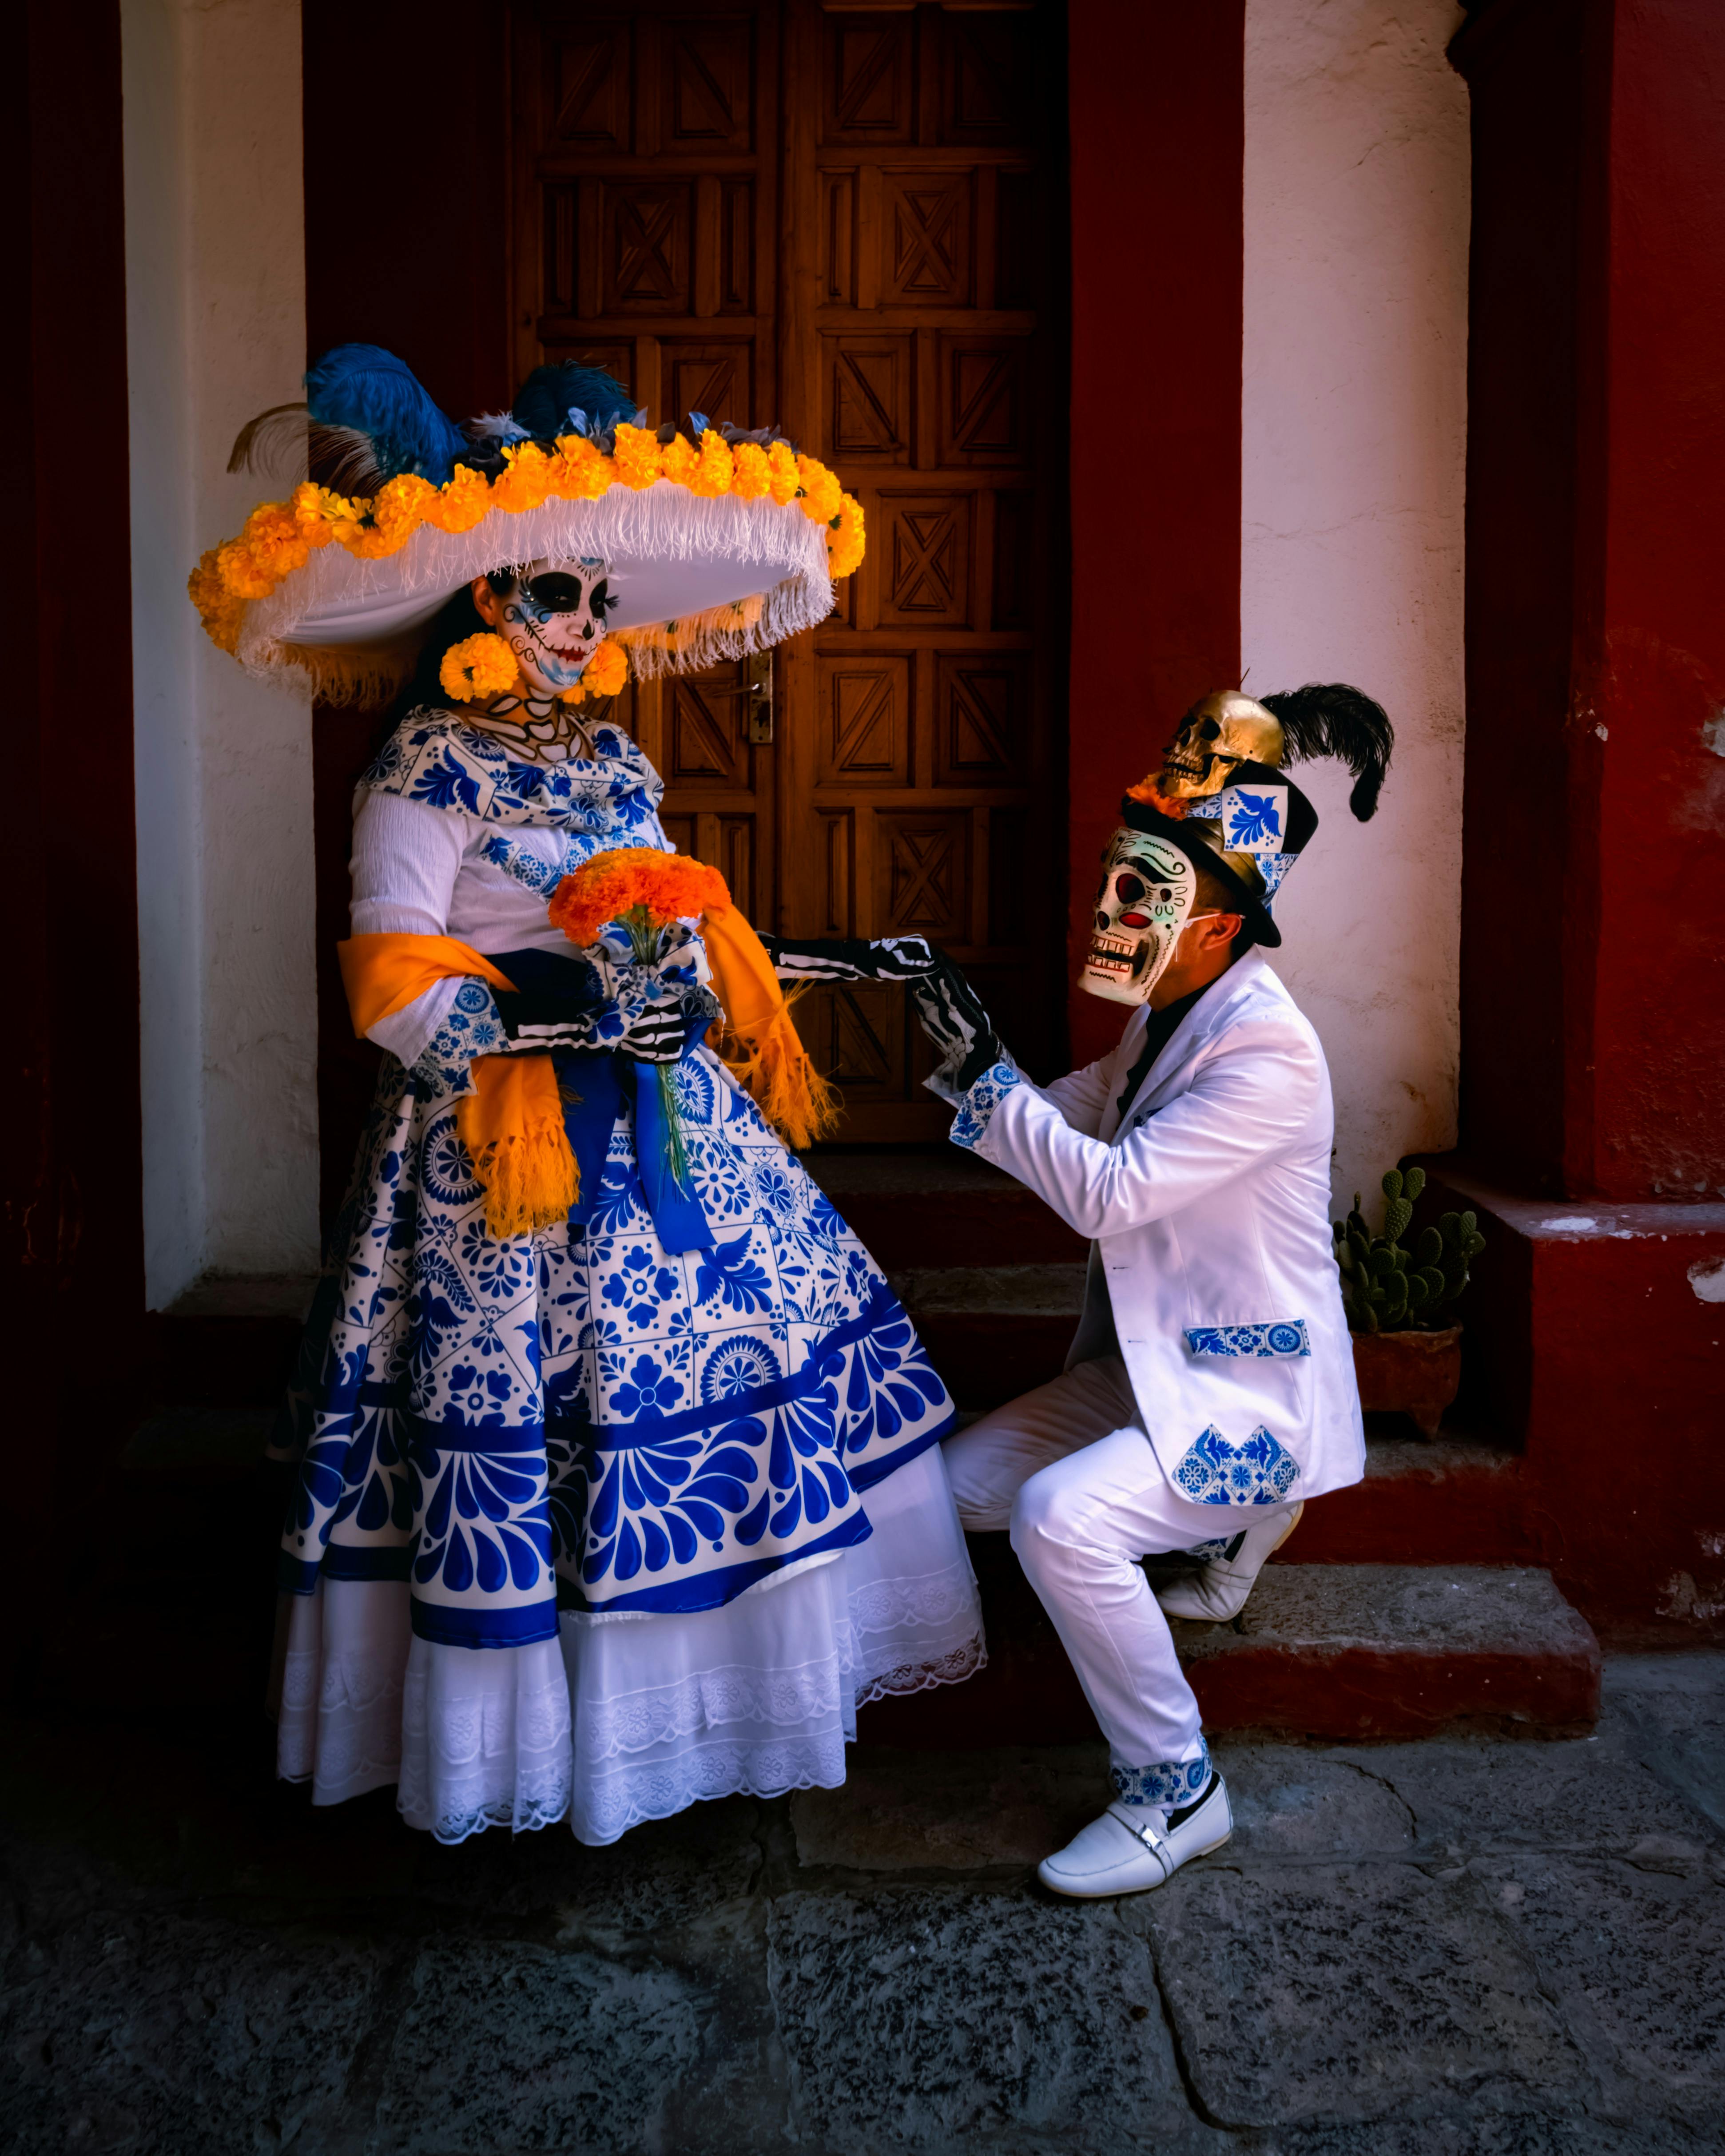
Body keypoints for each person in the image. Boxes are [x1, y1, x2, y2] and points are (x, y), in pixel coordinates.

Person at [190, 345, 985, 1846]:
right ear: (486, 603)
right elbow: (394, 986)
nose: (586, 625)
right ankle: (532, 1756)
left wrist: (743, 974)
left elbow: (674, 921)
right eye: (561, 596)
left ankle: (690, 1732)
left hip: (672, 1134)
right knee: (538, 1438)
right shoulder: (422, 767)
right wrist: (567, 1016)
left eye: (599, 602)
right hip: (508, 1170)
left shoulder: (613, 759)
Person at [935, 686, 1393, 1897]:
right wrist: (964, 1056)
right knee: (954, 1495)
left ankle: (1175, 1787)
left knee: (1059, 1521)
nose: (1108, 908)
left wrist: (988, 1091)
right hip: (1146, 1372)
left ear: (1217, 922)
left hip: (1246, 1398)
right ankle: (1218, 1535)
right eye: (1112, 879)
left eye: (1143, 892)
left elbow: (1106, 1191)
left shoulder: (1266, 1049)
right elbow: (1081, 1109)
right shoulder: (1168, 1016)